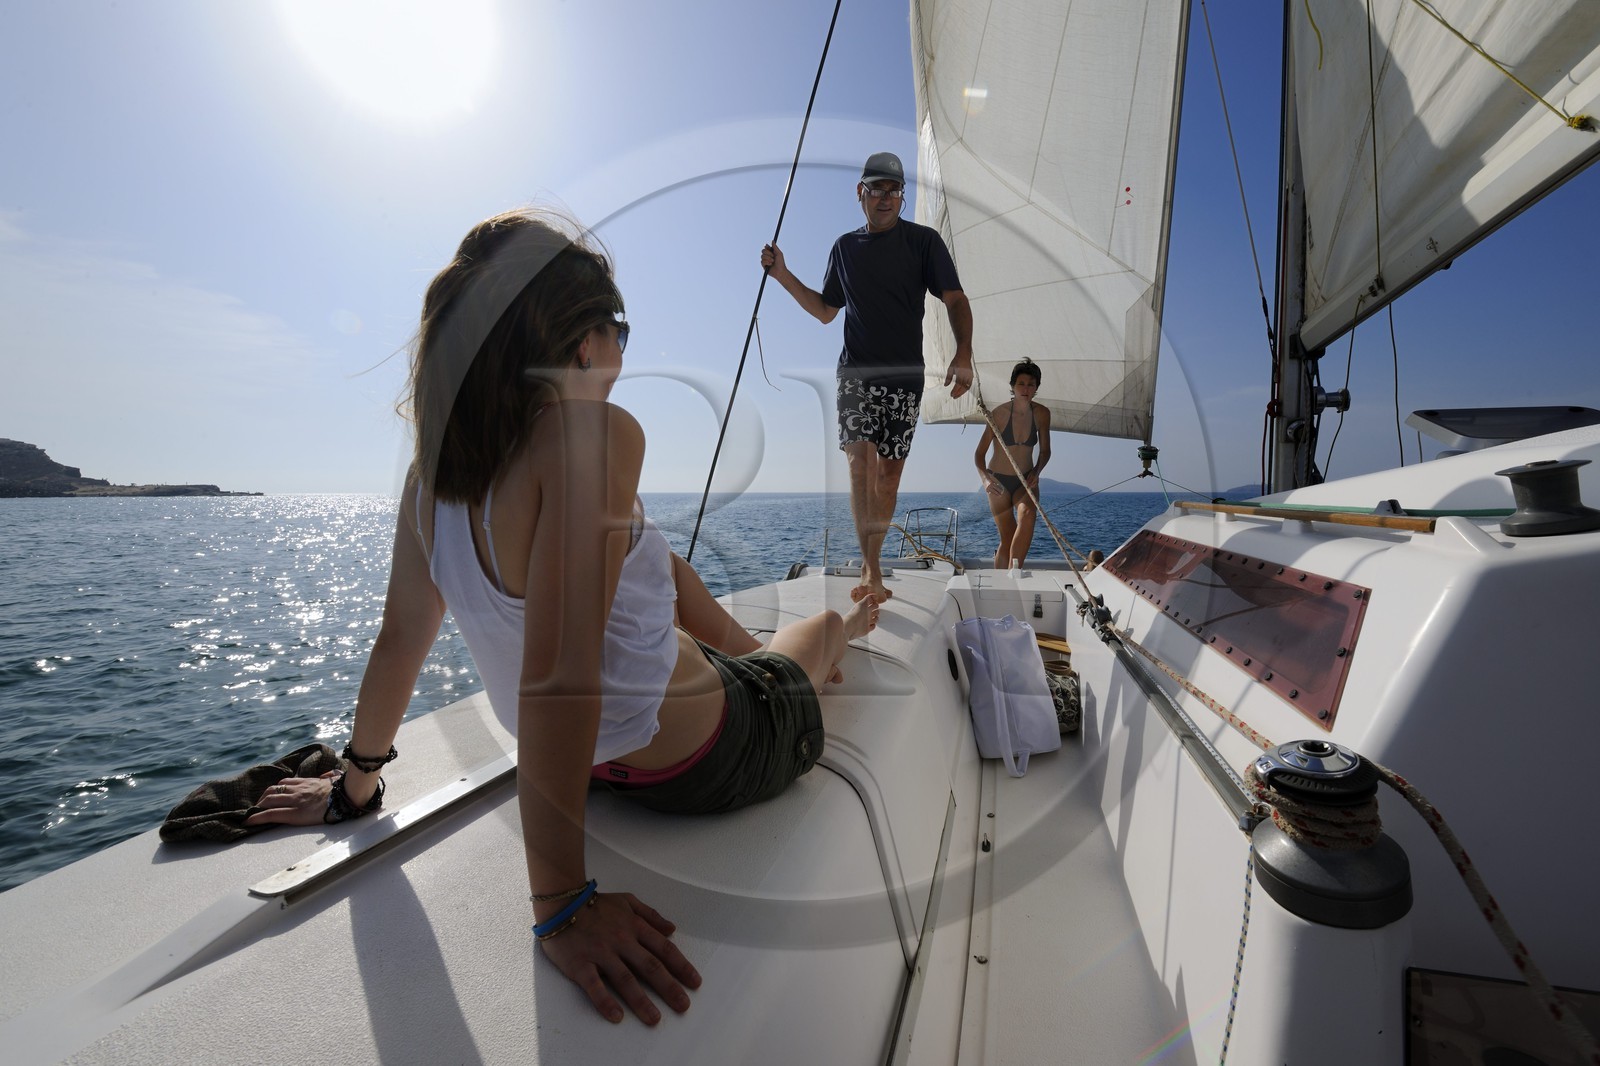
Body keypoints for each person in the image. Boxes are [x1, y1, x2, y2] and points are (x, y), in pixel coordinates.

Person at [244, 209, 880, 1026]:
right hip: (703, 755)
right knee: (820, 636)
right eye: (619, 329)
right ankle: (842, 628)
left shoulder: (430, 481)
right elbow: (562, 674)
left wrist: (354, 787)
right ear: (582, 340)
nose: (623, 353)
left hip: (593, 762)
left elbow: (402, 638)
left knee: (662, 565)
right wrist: (559, 904)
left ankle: (753, 653)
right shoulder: (593, 435)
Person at [760, 151, 974, 602]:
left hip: (905, 379)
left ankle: (872, 564)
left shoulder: (923, 243)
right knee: (861, 463)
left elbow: (954, 298)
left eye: (894, 190)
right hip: (855, 374)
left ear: (902, 196)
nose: (885, 198)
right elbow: (824, 311)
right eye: (876, 188)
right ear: (860, 192)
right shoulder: (844, 247)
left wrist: (964, 351)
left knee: (889, 477)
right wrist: (781, 274)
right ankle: (871, 571)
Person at [973, 358, 1052, 569]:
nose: (1026, 389)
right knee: (1007, 539)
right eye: (1021, 383)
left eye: (1031, 384)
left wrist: (1037, 471)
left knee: (1028, 514)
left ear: (1036, 387)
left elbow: (1045, 451)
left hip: (1025, 480)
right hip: (997, 482)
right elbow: (979, 454)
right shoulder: (998, 414)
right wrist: (985, 480)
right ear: (1012, 386)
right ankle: (1001, 583)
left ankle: (1014, 574)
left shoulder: (1042, 414)